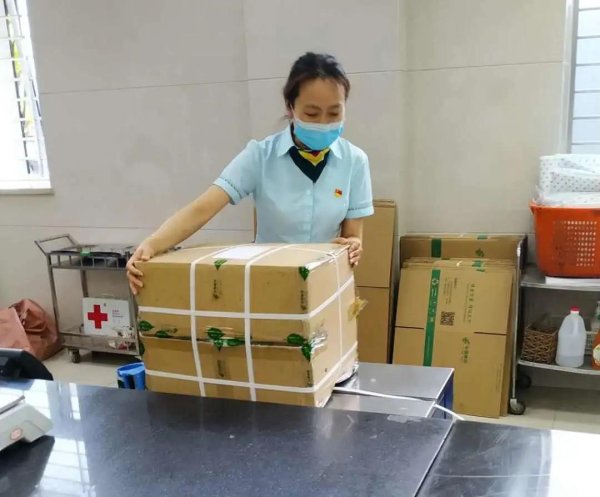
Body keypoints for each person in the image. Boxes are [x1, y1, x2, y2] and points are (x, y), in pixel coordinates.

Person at [127, 52, 374, 295]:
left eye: (334, 113)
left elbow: (353, 236)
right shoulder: (260, 156)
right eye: (311, 113)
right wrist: (152, 244)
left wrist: (354, 245)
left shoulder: (354, 161)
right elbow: (203, 208)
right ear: (290, 108)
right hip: (269, 284)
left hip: (325, 286)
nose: (323, 123)